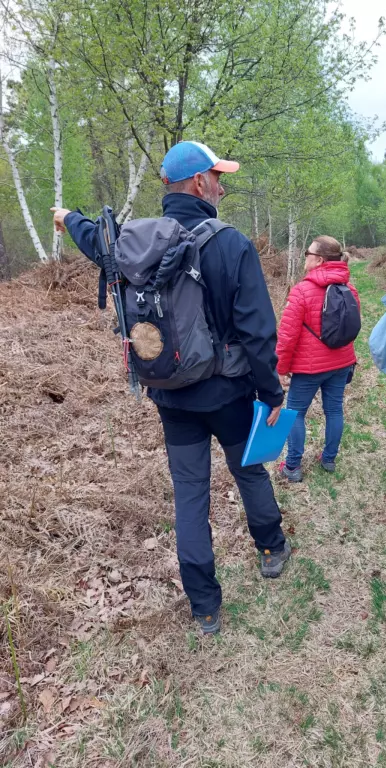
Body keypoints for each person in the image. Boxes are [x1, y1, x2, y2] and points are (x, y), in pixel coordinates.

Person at [51, 140, 290, 634]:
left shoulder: (133, 242)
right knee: (248, 471)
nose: (222, 187)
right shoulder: (231, 244)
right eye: (218, 178)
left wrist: (66, 217)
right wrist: (271, 392)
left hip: (171, 395)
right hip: (229, 393)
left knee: (190, 494)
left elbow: (94, 239)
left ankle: (205, 607)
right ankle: (271, 548)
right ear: (199, 182)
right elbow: (258, 330)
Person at [276, 236, 359, 481]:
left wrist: (280, 368)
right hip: (342, 363)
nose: (305, 258)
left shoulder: (301, 291)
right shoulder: (350, 288)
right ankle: (329, 459)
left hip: (309, 367)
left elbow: (287, 337)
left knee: (295, 413)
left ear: (319, 260)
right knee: (334, 410)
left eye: (307, 254)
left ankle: (292, 466)